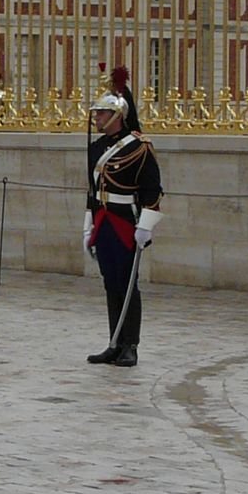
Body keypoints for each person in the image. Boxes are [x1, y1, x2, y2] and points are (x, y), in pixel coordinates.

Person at [84, 67, 163, 367]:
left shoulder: (139, 148)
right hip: (103, 220)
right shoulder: (97, 148)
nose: (97, 118)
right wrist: (88, 226)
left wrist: (145, 227)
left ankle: (131, 344)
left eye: (102, 113)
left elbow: (152, 190)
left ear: (117, 115)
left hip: (126, 222)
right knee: (110, 282)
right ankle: (114, 342)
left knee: (128, 284)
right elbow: (92, 190)